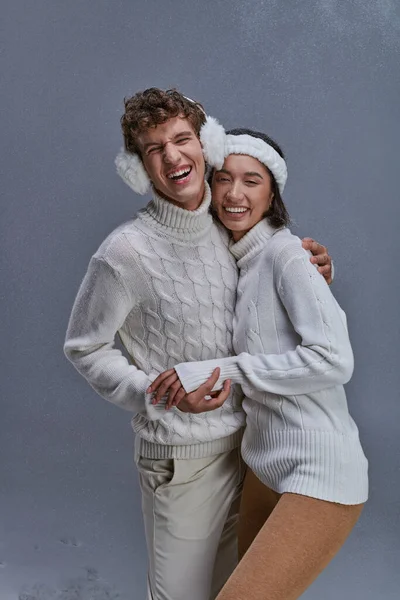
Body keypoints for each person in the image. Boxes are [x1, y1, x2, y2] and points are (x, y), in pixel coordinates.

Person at [64, 88, 333, 600]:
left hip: (254, 445)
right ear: (139, 168)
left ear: (204, 144)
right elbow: (84, 347)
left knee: (237, 593)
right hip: (181, 459)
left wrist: (319, 268)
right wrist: (154, 391)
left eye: (181, 139)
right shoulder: (124, 252)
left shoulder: (226, 221)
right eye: (153, 148)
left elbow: (273, 270)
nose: (172, 156)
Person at [149, 123, 368, 600]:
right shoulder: (237, 259)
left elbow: (334, 360)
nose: (234, 193)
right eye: (224, 177)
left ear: (274, 194)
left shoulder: (286, 255)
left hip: (319, 472)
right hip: (264, 468)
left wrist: (225, 370)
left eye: (252, 180)